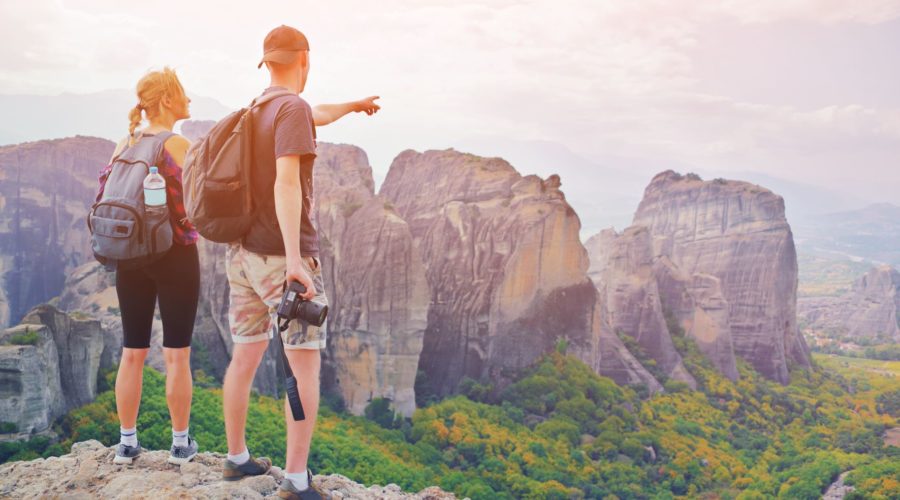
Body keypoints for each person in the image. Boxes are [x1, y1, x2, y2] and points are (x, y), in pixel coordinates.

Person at [220, 25, 379, 499]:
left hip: (242, 255)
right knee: (304, 364)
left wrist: (351, 106)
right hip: (279, 258)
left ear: (267, 63)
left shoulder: (261, 107)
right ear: (304, 59)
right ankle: (295, 478)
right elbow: (286, 183)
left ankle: (236, 458)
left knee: (245, 355)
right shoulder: (290, 109)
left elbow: (313, 114)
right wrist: (294, 260)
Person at [98, 67, 201, 466]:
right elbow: (199, 201)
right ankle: (180, 446)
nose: (188, 99)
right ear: (167, 101)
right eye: (183, 92)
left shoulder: (125, 142)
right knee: (177, 355)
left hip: (129, 257)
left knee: (132, 352)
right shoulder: (177, 144)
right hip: (174, 255)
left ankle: (126, 444)